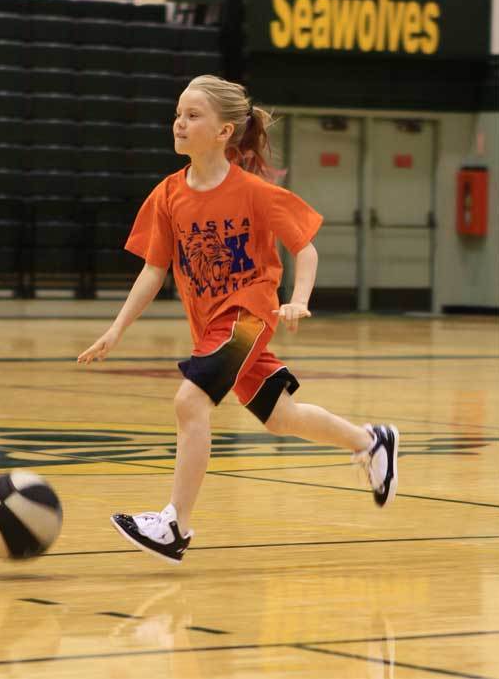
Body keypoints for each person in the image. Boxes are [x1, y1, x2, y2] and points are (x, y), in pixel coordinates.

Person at [77, 75, 399, 565]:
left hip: (248, 315)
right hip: (211, 327)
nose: (179, 123)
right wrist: (116, 328)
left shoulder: (254, 193)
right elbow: (154, 270)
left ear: (224, 131)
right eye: (178, 114)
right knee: (280, 417)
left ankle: (175, 524)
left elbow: (305, 250)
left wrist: (298, 299)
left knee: (190, 402)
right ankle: (371, 441)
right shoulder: (167, 195)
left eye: (192, 115)